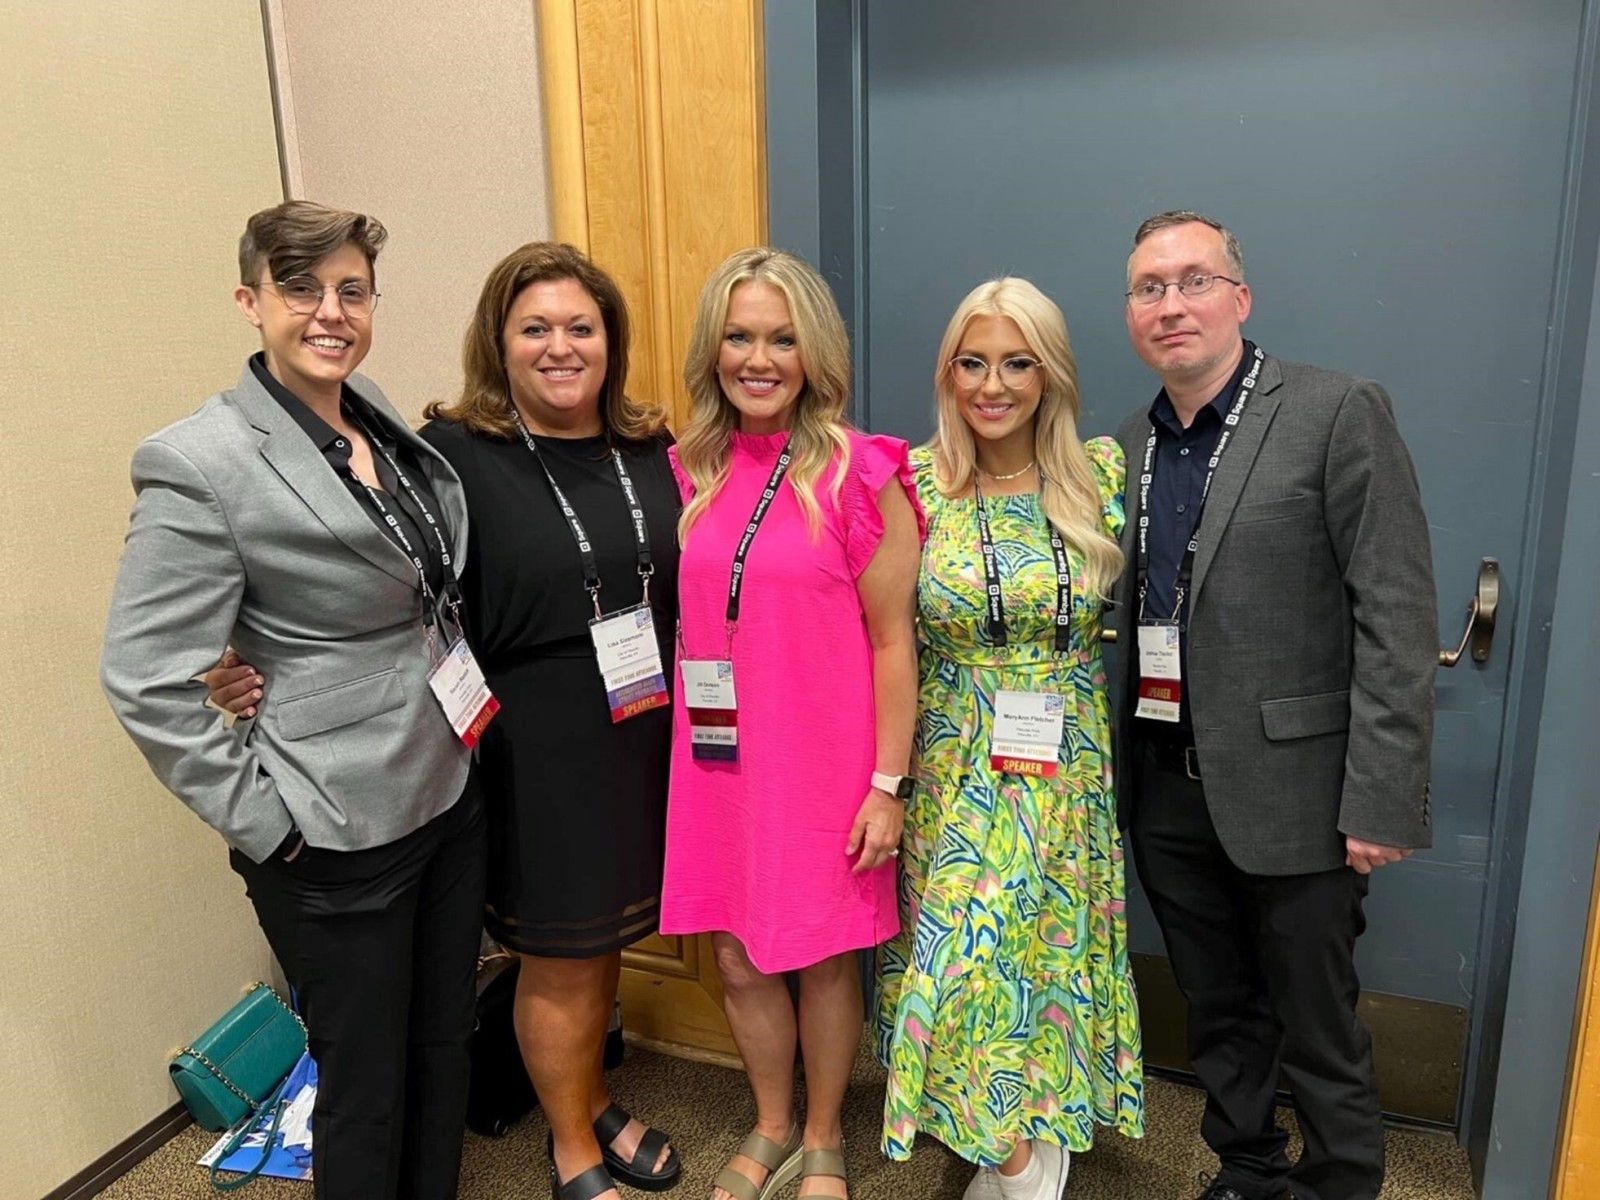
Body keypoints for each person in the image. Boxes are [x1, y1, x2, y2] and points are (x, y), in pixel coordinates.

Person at [209, 242, 683, 1200]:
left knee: (602, 952)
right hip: (534, 742)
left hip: (642, 726)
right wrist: (245, 657)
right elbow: (379, 582)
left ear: (612, 340)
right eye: (535, 328)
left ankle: (589, 1096)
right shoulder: (453, 457)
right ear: (498, 344)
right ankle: (572, 1147)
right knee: (560, 953)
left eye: (580, 327)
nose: (560, 346)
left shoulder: (652, 446)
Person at [101, 201, 488, 1200]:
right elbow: (144, 677)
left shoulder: (370, 413)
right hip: (330, 830)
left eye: (351, 291)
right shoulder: (200, 460)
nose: (331, 313)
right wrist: (269, 827)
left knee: (444, 1040)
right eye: (301, 288)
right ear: (250, 301)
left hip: (445, 789)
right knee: (365, 1083)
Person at [1110, 210, 1437, 1200]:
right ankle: (1247, 1170)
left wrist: (1380, 799)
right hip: (1164, 787)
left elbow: (1394, 609)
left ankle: (1340, 1182)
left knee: (1316, 1019)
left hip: (1298, 792)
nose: (1172, 305)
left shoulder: (1336, 412)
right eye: (1149, 288)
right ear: (1131, 315)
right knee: (1216, 1007)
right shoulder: (1120, 448)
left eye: (1194, 280)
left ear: (1239, 298)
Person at [660, 247, 924, 1200]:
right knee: (734, 952)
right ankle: (769, 1121)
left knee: (817, 954)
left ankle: (821, 1136)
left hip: (826, 765)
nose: (758, 359)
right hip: (719, 762)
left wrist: (887, 787)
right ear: (713, 349)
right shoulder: (686, 469)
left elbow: (895, 645)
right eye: (739, 336)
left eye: (782, 338)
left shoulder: (862, 472)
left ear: (814, 355)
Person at [875, 278, 1145, 1200]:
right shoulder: (912, 483)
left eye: (1017, 361)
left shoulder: (1102, 473)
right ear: (948, 373)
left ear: (1050, 372)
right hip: (953, 762)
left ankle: (1028, 1124)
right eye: (973, 362)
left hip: (1065, 764)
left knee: (1041, 959)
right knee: (957, 966)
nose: (993, 384)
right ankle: (1024, 1167)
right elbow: (881, 640)